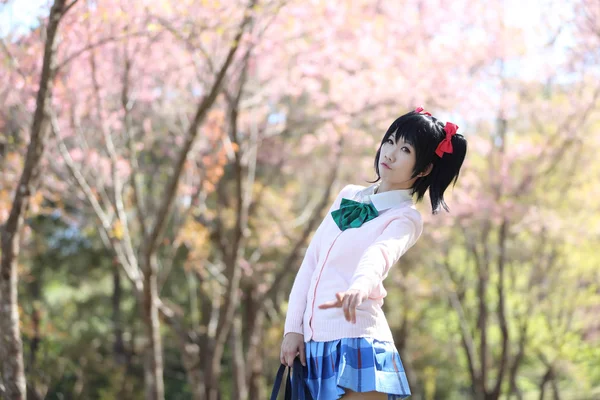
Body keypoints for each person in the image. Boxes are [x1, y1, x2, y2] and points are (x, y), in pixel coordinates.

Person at [279, 107, 468, 399]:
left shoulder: (405, 217)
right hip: (313, 345)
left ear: (425, 169)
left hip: (357, 340)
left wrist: (360, 285)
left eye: (405, 149)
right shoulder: (347, 196)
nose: (390, 153)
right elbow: (311, 263)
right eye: (390, 141)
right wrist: (293, 329)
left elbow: (381, 253)